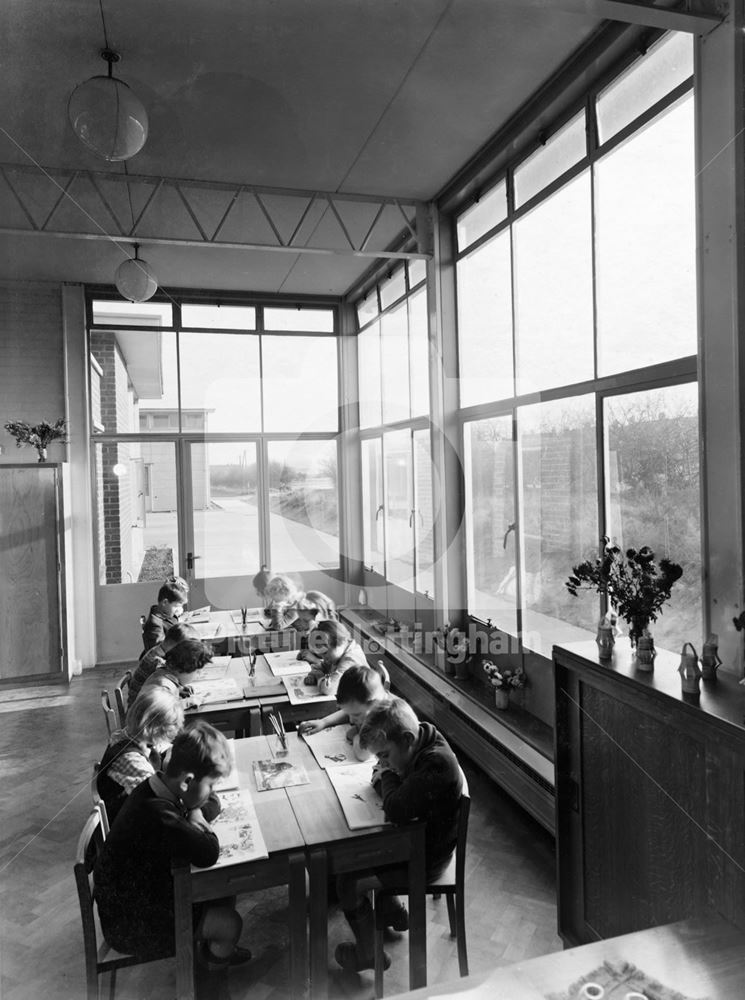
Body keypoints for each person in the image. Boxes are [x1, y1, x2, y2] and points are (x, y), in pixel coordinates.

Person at [94, 720, 251, 969]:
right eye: (210, 784)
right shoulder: (160, 814)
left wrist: (195, 810)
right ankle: (212, 980)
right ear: (187, 782)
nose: (212, 790)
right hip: (131, 924)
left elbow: (212, 802)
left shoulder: (156, 787)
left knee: (223, 891)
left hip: (141, 899)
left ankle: (210, 954)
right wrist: (196, 813)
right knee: (231, 923)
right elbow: (208, 852)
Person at [334, 697, 463, 972]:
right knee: (351, 857)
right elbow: (397, 791)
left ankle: (368, 953)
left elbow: (395, 807)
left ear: (406, 739)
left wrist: (385, 777)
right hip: (417, 842)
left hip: (424, 861)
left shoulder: (435, 764)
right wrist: (387, 771)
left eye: (384, 755)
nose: (383, 762)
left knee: (347, 879)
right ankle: (393, 911)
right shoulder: (423, 737)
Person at [97, 686, 185, 827]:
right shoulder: (130, 760)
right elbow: (160, 799)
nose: (175, 731)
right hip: (129, 826)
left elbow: (166, 747)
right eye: (172, 727)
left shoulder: (130, 734)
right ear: (155, 728)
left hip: (140, 814)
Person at [298, 663, 390, 761]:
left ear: (374, 703)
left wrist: (355, 735)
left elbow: (363, 754)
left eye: (356, 715)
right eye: (349, 713)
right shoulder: (369, 707)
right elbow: (349, 712)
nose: (351, 720)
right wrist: (324, 722)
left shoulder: (383, 717)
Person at [127, 622, 199, 708]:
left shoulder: (157, 651)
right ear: (179, 647)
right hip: (141, 711)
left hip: (141, 705)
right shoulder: (157, 663)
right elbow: (163, 707)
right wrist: (187, 703)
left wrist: (179, 688)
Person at [298, 619, 367, 696]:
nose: (323, 658)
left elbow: (328, 689)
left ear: (341, 643)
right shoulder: (338, 654)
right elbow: (320, 667)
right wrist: (312, 676)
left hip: (360, 704)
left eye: (325, 653)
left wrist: (318, 676)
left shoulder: (350, 660)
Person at [140, 638, 212, 708]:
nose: (199, 675)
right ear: (185, 668)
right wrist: (188, 702)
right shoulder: (164, 686)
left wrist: (178, 689)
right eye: (198, 672)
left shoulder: (163, 673)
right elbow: (163, 711)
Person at [142, 582, 188, 652]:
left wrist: (177, 615)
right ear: (165, 602)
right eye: (176, 606)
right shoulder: (155, 624)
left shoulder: (165, 612)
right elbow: (159, 650)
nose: (179, 609)